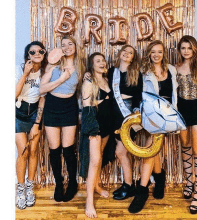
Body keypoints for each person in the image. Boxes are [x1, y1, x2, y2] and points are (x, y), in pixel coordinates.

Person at [134, 40, 178, 213]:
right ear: (149, 54)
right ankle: (158, 179)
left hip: (168, 114)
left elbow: (177, 93)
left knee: (151, 147)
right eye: (153, 52)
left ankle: (142, 189)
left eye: (159, 51)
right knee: (153, 148)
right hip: (152, 113)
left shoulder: (172, 70)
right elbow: (139, 94)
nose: (156, 55)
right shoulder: (144, 71)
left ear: (163, 53)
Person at [40, 36, 82, 202]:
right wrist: (61, 79)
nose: (66, 47)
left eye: (70, 44)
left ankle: (72, 183)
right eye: (63, 45)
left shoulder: (81, 67)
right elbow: (42, 89)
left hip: (69, 107)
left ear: (75, 46)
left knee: (68, 149)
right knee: (54, 149)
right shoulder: (54, 66)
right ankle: (59, 182)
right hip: (52, 106)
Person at [79, 52, 113, 218]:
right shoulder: (89, 81)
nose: (101, 63)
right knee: (94, 161)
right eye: (97, 61)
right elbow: (87, 107)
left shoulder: (107, 79)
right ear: (91, 65)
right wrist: (91, 129)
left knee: (99, 157)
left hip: (107, 126)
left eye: (103, 60)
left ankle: (97, 186)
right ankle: (89, 201)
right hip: (96, 126)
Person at [108, 45, 143, 206]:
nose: (127, 54)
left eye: (130, 53)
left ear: (133, 57)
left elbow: (139, 95)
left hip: (128, 113)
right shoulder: (111, 72)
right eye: (125, 51)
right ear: (120, 53)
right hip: (113, 113)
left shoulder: (136, 73)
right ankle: (129, 184)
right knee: (124, 152)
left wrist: (135, 113)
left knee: (121, 151)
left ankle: (128, 185)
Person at [15, 41, 48, 209]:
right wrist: (25, 74)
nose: (36, 54)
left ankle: (30, 186)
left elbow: (42, 99)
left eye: (40, 51)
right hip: (18, 113)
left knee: (34, 150)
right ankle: (20, 189)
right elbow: (13, 95)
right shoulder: (18, 68)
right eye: (32, 52)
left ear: (44, 54)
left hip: (35, 113)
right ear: (27, 55)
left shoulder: (45, 72)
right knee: (23, 151)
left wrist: (37, 123)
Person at [176, 35, 197, 214]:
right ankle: (188, 181)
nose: (186, 51)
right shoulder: (177, 67)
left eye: (189, 48)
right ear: (179, 50)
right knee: (185, 147)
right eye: (183, 48)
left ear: (194, 49)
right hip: (181, 111)